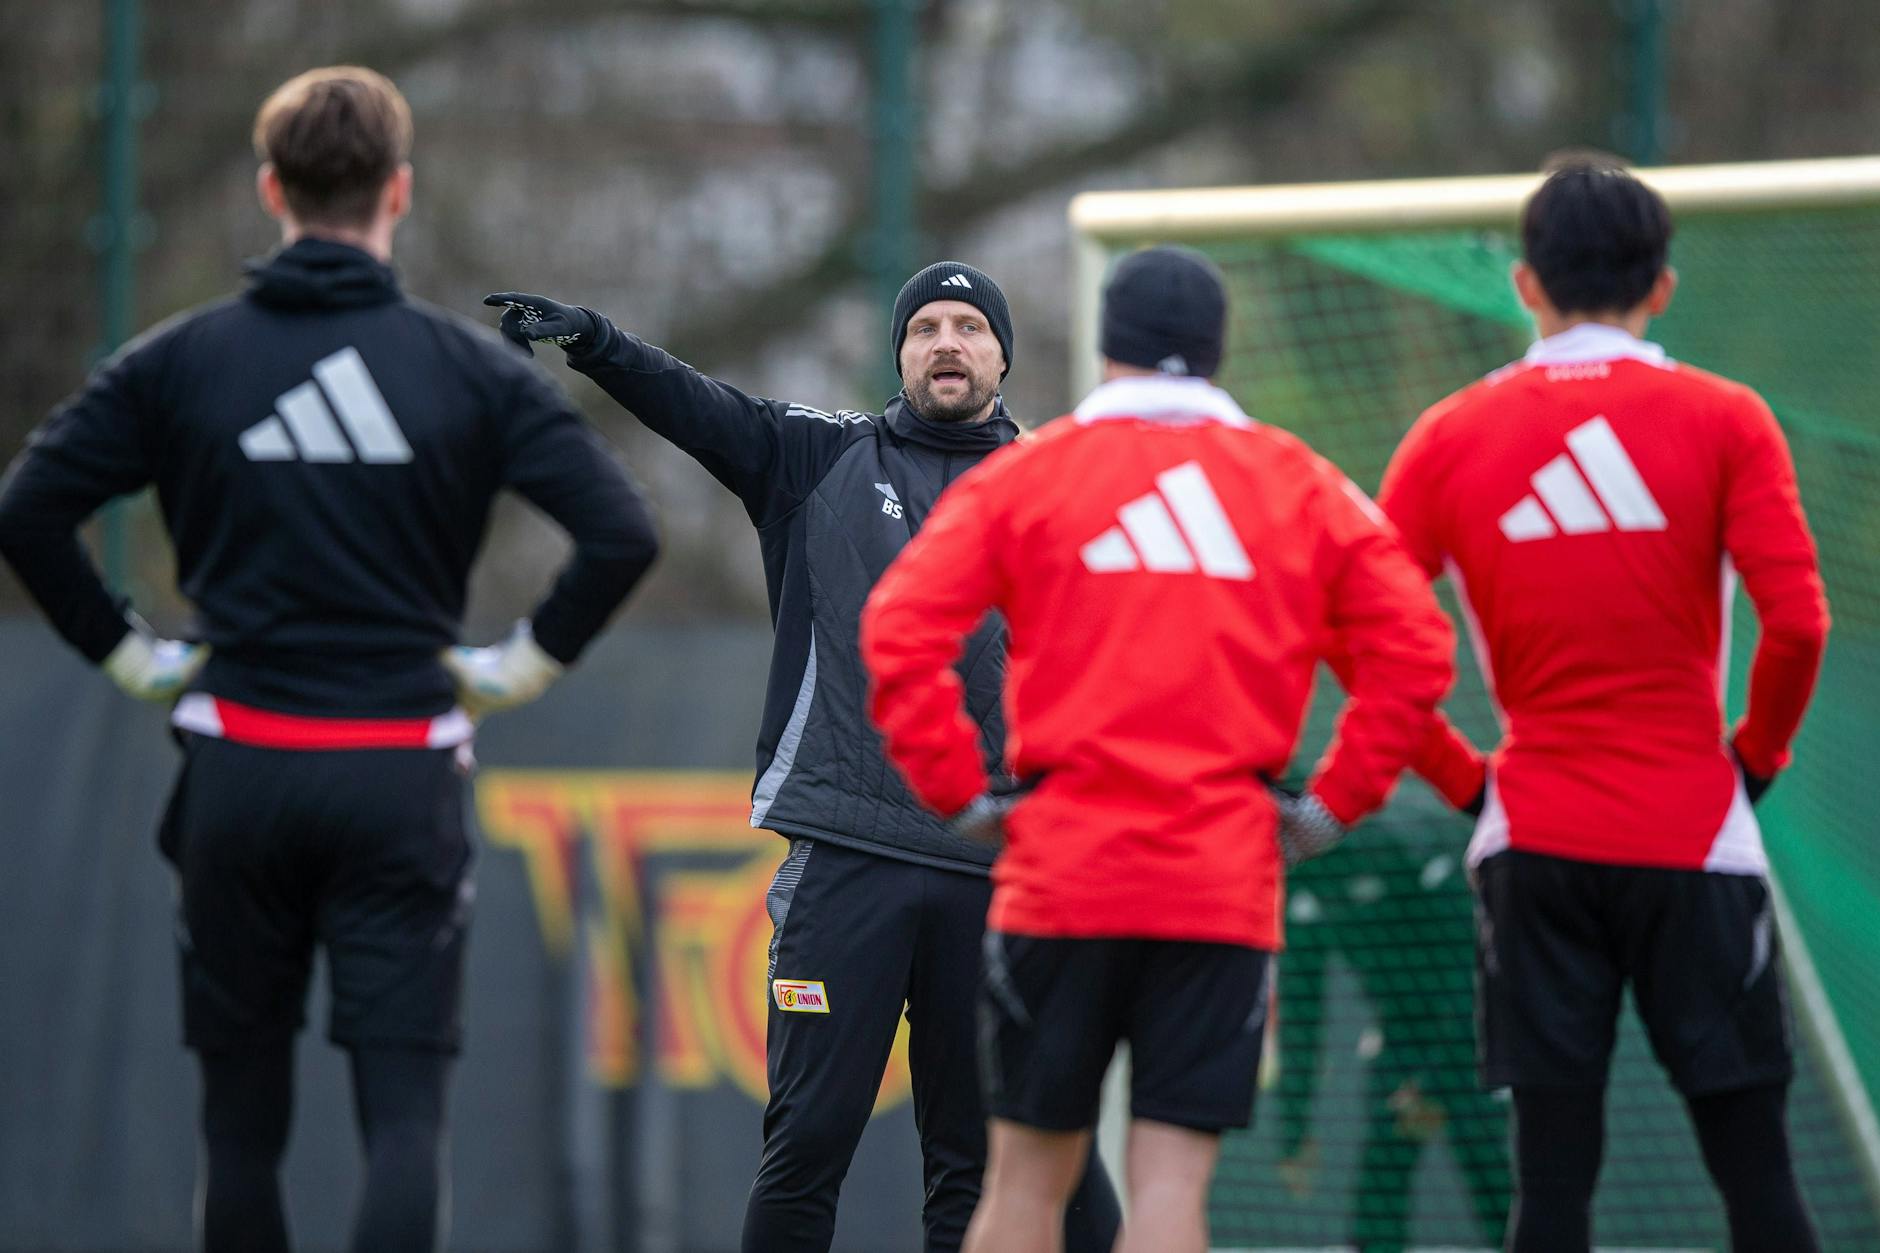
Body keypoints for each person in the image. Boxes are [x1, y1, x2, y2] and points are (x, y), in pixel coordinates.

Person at [0, 67, 659, 1253]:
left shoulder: (180, 360)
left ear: (271, 188)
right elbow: (622, 531)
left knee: (238, 1132)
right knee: (403, 1119)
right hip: (401, 773)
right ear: (397, 191)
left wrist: (133, 658)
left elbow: (28, 509)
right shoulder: (467, 370)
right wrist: (512, 668)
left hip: (237, 769)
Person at [487, 270, 1120, 1252]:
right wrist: (597, 341)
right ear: (899, 354)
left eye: (968, 326)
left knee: (970, 1165)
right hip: (843, 855)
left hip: (991, 866)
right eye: (923, 326)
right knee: (804, 1148)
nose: (945, 342)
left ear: (1003, 353)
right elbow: (696, 407)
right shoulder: (818, 455)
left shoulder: (1058, 485)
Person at [859, 245, 1457, 1253]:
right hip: (1219, 878)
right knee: (1171, 1187)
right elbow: (1415, 650)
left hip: (1063, 871)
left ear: (1108, 345)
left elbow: (898, 628)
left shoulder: (1031, 472)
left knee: (1021, 1183)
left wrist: (958, 793)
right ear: (1216, 348)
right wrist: (1327, 808)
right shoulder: (1298, 479)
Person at [1375, 157, 1831, 1252]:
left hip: (1533, 837)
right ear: (1662, 285)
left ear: (1524, 283)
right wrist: (1755, 760)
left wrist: (1465, 781)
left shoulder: (1448, 434)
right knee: (1759, 1180)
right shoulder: (1727, 417)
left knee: (1550, 1191)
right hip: (1696, 833)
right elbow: (1799, 624)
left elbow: (1362, 637)